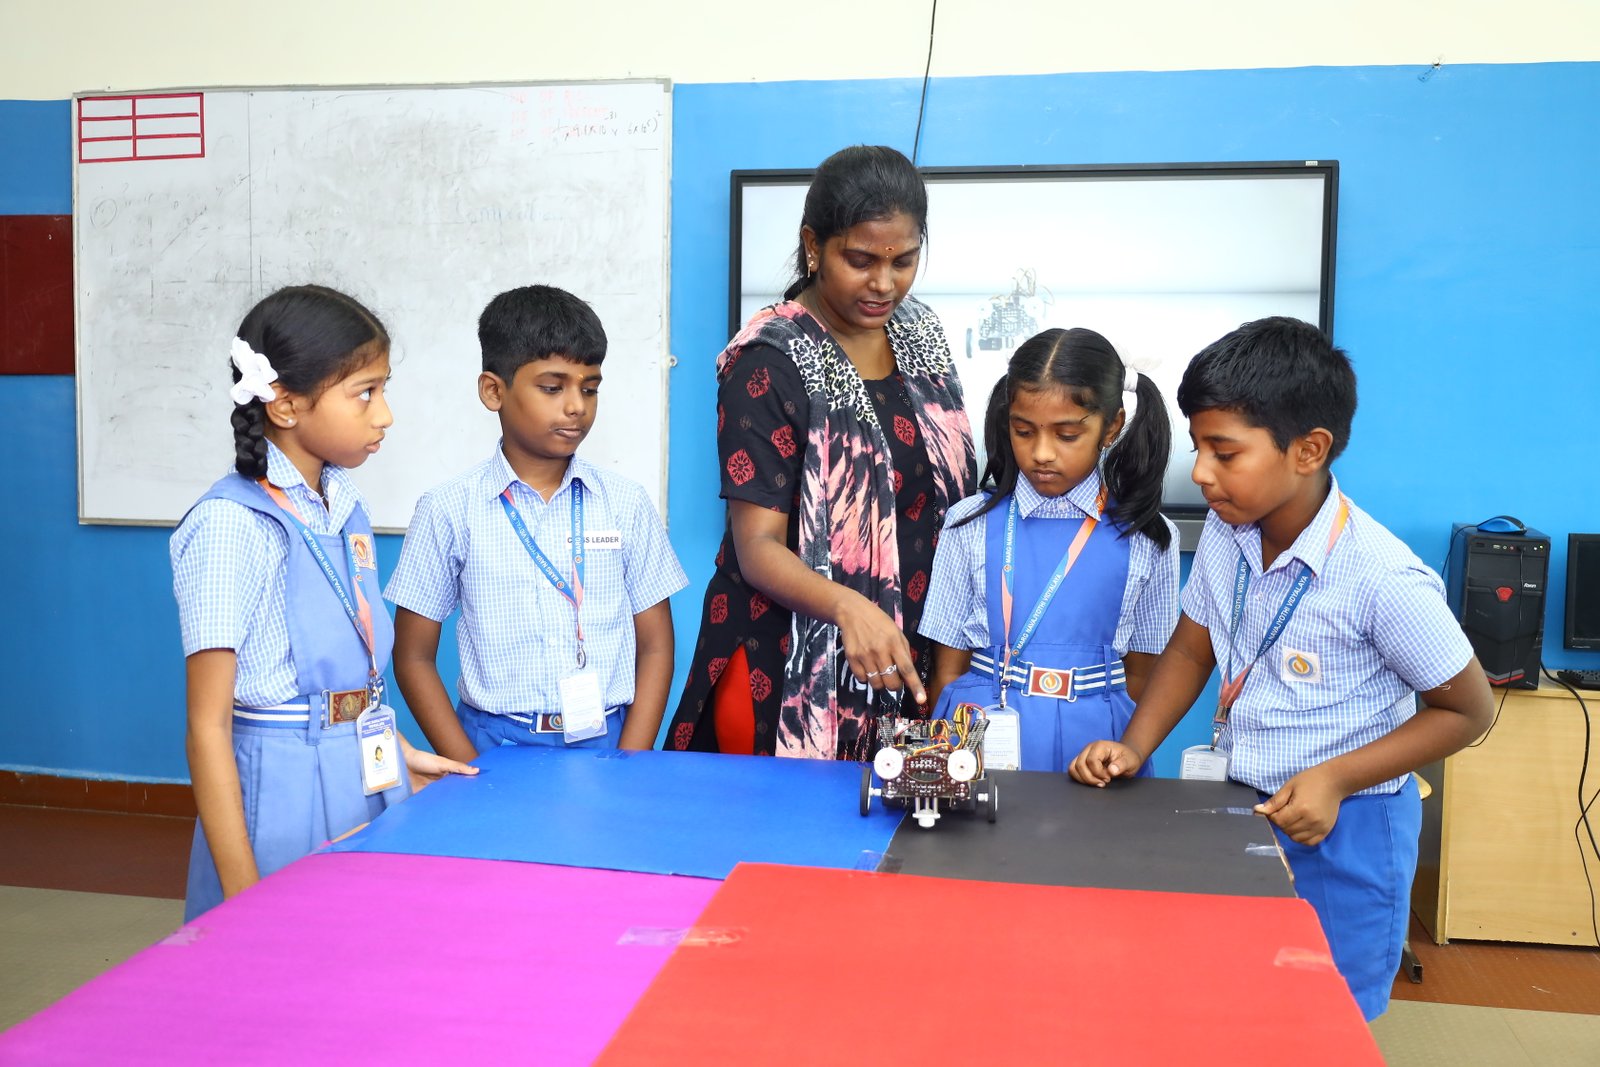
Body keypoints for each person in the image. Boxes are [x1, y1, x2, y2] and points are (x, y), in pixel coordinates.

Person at [1068, 316, 1494, 1020]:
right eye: (1198, 446)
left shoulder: (1382, 576)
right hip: (1244, 808)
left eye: (1223, 451)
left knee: (1326, 1018)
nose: (1201, 471)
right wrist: (1135, 743)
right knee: (1242, 1002)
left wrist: (1334, 777)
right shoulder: (1229, 538)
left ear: (1309, 449)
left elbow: (1469, 709)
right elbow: (1189, 648)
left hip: (1349, 827)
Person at [170, 285, 476, 921]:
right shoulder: (233, 525)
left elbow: (350, 672)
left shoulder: (343, 508)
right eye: (365, 392)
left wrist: (396, 751)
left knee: (360, 968)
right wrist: (241, 897)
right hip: (280, 787)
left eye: (383, 389)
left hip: (361, 767)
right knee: (279, 975)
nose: (384, 414)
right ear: (284, 405)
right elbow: (208, 725)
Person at [664, 145, 977, 761]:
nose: (884, 284)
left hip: (904, 652)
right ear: (814, 245)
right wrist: (848, 608)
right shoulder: (768, 360)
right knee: (784, 850)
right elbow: (757, 549)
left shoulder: (922, 333)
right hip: (786, 669)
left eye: (904, 261)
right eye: (859, 260)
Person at [386, 285, 686, 758]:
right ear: (493, 390)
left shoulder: (626, 504)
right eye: (552, 387)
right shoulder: (448, 509)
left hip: (608, 739)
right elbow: (412, 657)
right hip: (494, 742)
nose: (576, 406)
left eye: (589, 388)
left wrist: (632, 757)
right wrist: (469, 768)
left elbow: (655, 646)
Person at [919, 328, 1179, 773]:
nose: (1041, 453)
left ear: (1111, 426)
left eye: (1066, 435)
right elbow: (947, 670)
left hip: (1099, 739)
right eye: (1024, 431)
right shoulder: (968, 523)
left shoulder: (1150, 536)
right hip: (978, 733)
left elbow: (1144, 675)